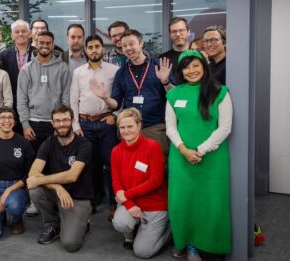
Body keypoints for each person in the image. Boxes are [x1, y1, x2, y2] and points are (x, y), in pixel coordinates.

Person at [165, 50, 233, 260]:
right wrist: (184, 150)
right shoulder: (174, 94)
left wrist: (200, 150)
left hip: (212, 160)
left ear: (204, 66)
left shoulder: (219, 91)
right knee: (181, 203)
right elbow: (170, 127)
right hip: (181, 158)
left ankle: (210, 245)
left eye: (196, 65)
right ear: (181, 71)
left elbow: (225, 127)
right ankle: (187, 242)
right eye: (186, 67)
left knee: (212, 205)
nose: (191, 70)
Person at [92, 29, 173, 158]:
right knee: (133, 168)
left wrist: (165, 81)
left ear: (141, 43)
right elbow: (116, 104)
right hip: (129, 129)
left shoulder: (158, 66)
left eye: (131, 44)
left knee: (158, 168)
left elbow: (173, 95)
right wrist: (105, 98)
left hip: (155, 128)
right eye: (124, 46)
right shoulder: (121, 73)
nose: (128, 48)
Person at [27, 105, 93, 252]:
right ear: (52, 123)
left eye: (65, 120)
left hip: (78, 197)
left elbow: (72, 175)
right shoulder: (48, 142)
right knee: (35, 190)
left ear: (72, 121)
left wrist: (44, 180)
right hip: (58, 193)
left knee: (71, 244)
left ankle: (84, 221)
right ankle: (52, 225)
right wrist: (58, 187)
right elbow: (33, 174)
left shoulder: (84, 144)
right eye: (57, 121)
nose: (61, 124)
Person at [70, 34, 119, 220]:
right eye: (90, 47)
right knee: (90, 165)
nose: (94, 50)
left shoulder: (114, 71)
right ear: (85, 50)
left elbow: (119, 98)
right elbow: (73, 100)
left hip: (106, 123)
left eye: (97, 46)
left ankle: (114, 203)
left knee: (111, 164)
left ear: (103, 49)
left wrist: (114, 116)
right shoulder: (78, 72)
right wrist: (75, 125)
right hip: (85, 124)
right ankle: (93, 199)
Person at [111, 108, 169, 259]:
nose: (126, 131)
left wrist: (125, 195)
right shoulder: (116, 151)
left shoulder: (152, 146)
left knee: (142, 252)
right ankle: (138, 228)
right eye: (122, 127)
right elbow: (116, 183)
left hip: (154, 204)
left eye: (130, 126)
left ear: (139, 126)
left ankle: (169, 230)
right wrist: (129, 203)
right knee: (120, 223)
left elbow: (156, 181)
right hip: (132, 203)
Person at [0, 107, 35, 240]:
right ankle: (0, 215)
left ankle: (16, 219)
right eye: (2, 117)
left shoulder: (23, 143)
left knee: (14, 205)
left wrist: (9, 190)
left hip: (17, 187)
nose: (6, 120)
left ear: (15, 122)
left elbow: (28, 174)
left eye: (10, 117)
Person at [17, 30, 71, 152]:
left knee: (55, 163)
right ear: (35, 44)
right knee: (34, 162)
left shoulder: (63, 68)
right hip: (33, 123)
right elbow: (21, 99)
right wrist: (25, 125)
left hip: (55, 123)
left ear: (53, 45)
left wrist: (62, 124)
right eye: (41, 42)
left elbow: (66, 99)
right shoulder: (27, 69)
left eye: (48, 43)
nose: (45, 46)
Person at [0, 19, 36, 133]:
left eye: (24, 31)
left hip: (34, 105)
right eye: (17, 32)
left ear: (30, 34)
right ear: (12, 36)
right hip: (12, 106)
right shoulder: (4, 55)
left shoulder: (38, 53)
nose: (20, 34)